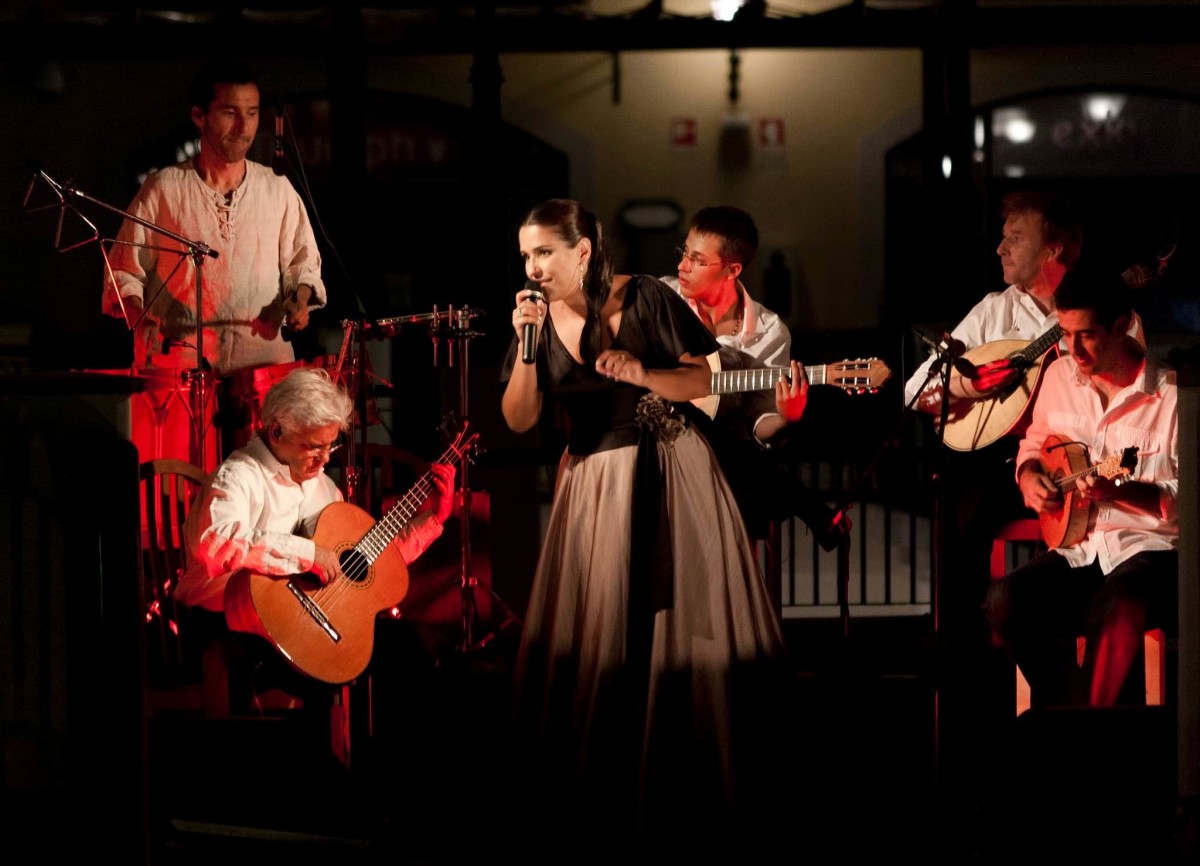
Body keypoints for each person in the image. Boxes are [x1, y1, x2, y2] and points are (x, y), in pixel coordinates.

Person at [500, 199, 789, 856]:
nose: (533, 267)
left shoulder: (646, 299)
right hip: (593, 484)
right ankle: (601, 803)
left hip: (670, 468)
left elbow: (709, 378)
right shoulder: (535, 324)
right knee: (602, 635)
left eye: (544, 251)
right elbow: (519, 419)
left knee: (676, 636)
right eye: (525, 255)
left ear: (583, 250)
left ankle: (692, 800)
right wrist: (524, 345)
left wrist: (644, 372)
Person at [102, 59, 326, 466]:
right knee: (184, 494)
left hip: (262, 377)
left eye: (253, 113)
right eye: (230, 112)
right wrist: (139, 315)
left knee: (264, 494)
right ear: (198, 116)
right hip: (181, 378)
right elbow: (122, 271)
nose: (244, 126)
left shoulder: (277, 189)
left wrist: (300, 299)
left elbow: (303, 265)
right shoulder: (165, 189)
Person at [984, 264, 1177, 708]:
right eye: (1065, 333)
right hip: (1081, 548)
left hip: (1151, 553)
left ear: (1121, 325)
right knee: (1004, 599)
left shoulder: (1169, 396)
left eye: (1086, 335)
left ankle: (1079, 732)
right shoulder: (1058, 377)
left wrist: (1121, 492)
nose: (1073, 349)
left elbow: (1187, 501)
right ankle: (1073, 719)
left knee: (1118, 604)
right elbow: (1035, 444)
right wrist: (1029, 475)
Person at [661, 205, 848, 548]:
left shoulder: (768, 331)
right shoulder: (662, 299)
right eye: (683, 253)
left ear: (732, 269)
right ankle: (809, 507)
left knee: (729, 442)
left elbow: (756, 424)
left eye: (697, 260)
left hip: (721, 462)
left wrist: (785, 418)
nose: (681, 266)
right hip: (656, 448)